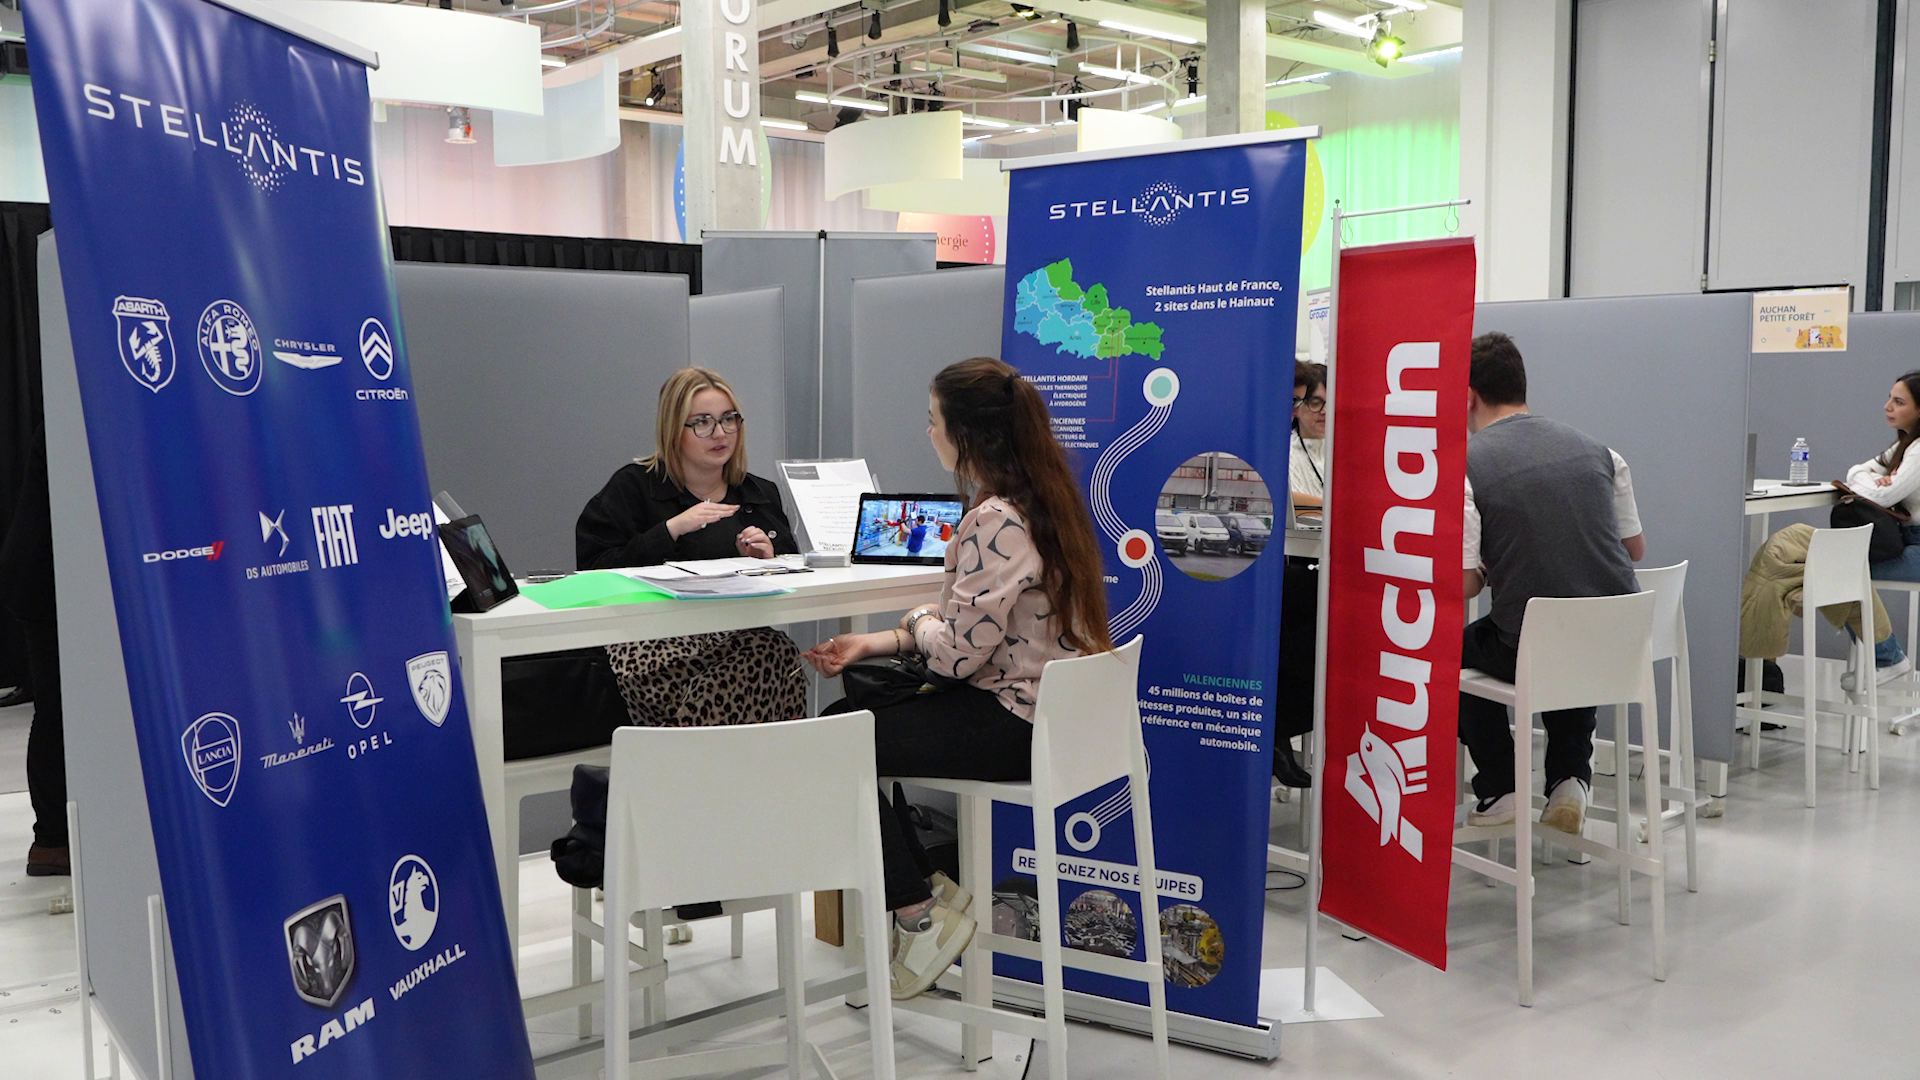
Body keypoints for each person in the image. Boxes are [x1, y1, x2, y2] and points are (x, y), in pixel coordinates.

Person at [802, 357, 1112, 1000]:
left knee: (833, 740)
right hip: (1054, 720)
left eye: (934, 421)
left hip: (1013, 723)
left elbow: (954, 658)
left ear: (966, 435)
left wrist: (916, 619)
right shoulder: (1048, 501)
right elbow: (983, 631)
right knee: (853, 731)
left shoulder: (993, 518)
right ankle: (926, 896)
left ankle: (920, 914)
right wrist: (881, 641)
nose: (928, 433)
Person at [1460, 332, 1645, 836]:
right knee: (1571, 622)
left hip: (1536, 648)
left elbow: (1464, 586)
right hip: (1620, 645)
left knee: (1454, 650)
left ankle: (1502, 787)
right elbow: (1634, 550)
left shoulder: (1468, 465)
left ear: (1469, 396)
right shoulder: (1600, 451)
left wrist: (1491, 566)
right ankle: (1569, 781)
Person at [576, 367, 806, 726]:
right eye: (702, 423)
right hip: (650, 643)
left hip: (739, 636)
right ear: (673, 430)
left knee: (773, 652)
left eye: (728, 419)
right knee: (772, 655)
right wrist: (671, 530)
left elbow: (796, 573)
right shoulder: (633, 487)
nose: (720, 433)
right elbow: (594, 569)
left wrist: (769, 559)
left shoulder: (757, 493)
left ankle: (695, 759)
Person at [1288, 361, 1327, 517]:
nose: (1325, 410)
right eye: (1316, 403)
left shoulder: (1352, 452)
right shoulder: (1285, 453)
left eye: (1333, 402)